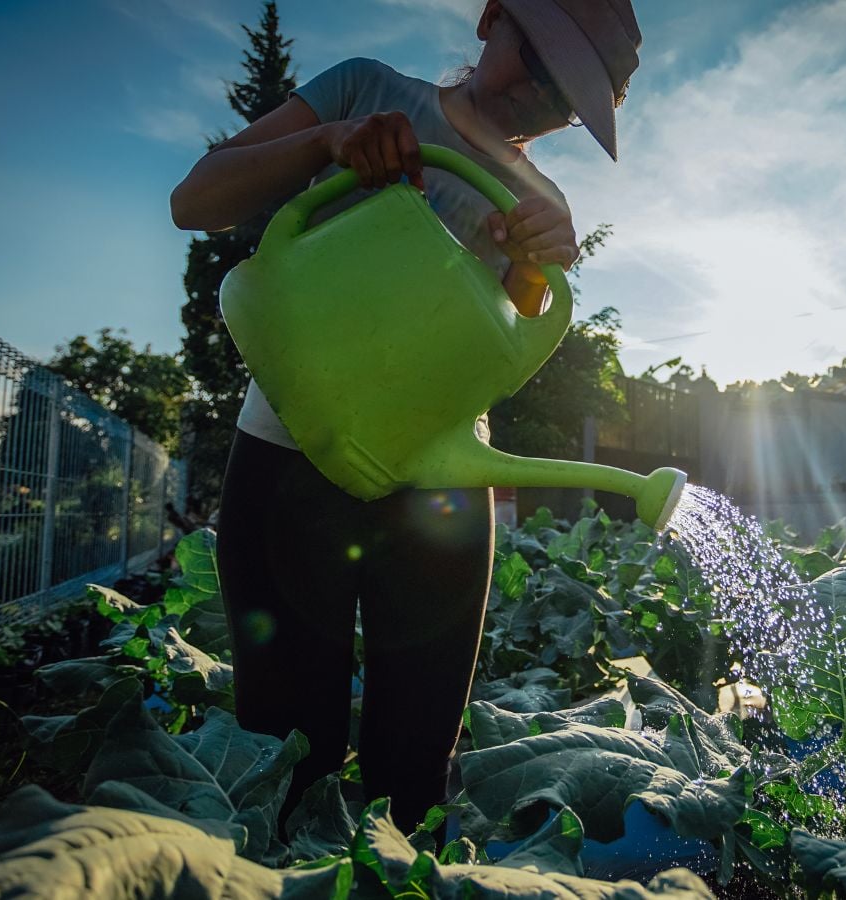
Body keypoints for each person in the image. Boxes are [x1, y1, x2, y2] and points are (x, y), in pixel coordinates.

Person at [169, 0, 642, 834]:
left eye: (565, 96)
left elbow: (498, 357)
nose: (537, 93)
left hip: (438, 490)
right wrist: (326, 142)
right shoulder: (368, 91)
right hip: (288, 463)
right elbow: (195, 200)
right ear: (492, 18)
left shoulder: (541, 201)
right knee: (286, 752)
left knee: (416, 769)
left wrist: (534, 269)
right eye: (535, 56)